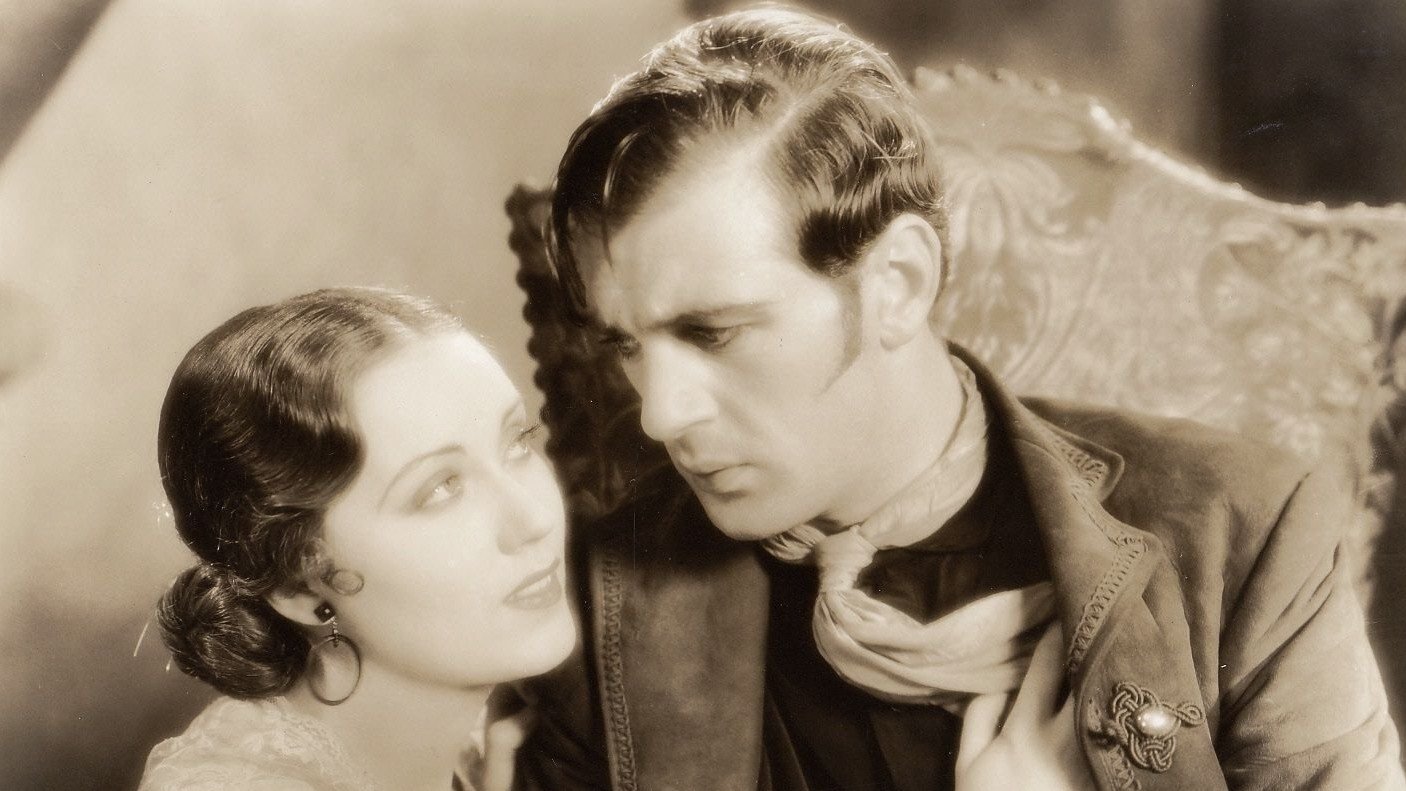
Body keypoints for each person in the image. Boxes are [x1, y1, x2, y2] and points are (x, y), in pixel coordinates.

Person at [509, 7, 1406, 791]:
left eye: (713, 332)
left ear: (898, 283)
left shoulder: (1243, 534)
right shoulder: (592, 602)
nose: (660, 414)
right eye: (626, 344)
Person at [139, 287, 576, 791]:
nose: (535, 519)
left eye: (517, 442)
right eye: (439, 489)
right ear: (297, 586)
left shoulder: (497, 730)